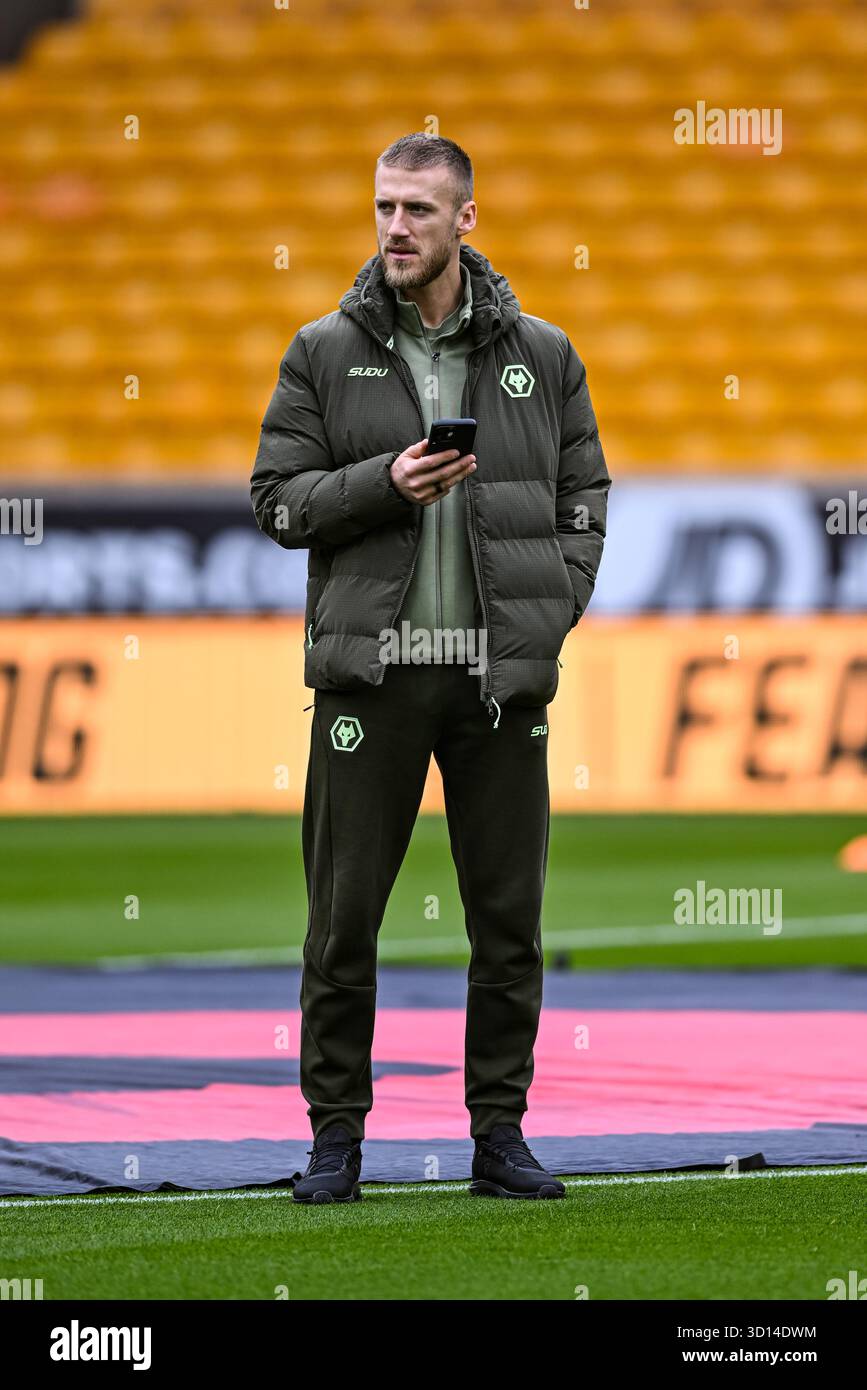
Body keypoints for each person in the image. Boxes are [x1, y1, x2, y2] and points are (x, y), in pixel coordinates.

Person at [250, 133, 610, 1203]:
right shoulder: (322, 350)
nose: (395, 227)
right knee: (341, 922)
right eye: (383, 207)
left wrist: (553, 609)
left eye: (416, 208)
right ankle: (335, 1140)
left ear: (465, 219)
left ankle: (499, 1136)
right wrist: (384, 482)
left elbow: (584, 497)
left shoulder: (544, 353)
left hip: (496, 679)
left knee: (508, 923)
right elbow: (276, 501)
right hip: (374, 679)